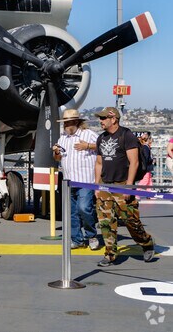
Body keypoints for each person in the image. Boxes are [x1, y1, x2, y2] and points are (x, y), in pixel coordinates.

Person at [94, 107, 155, 267]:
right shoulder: (101, 138)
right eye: (100, 118)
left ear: (113, 119)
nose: (100, 121)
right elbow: (99, 163)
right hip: (105, 186)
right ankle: (110, 255)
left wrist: (128, 186)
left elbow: (134, 162)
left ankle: (146, 242)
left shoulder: (126, 135)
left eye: (103, 118)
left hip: (123, 185)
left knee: (131, 221)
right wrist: (97, 185)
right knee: (106, 222)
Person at [51, 109, 100, 250]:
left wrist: (88, 146)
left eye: (69, 122)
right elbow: (58, 158)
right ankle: (77, 239)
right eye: (65, 122)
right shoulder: (62, 138)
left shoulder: (88, 134)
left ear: (77, 122)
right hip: (68, 181)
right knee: (71, 212)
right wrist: (56, 152)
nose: (66, 125)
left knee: (84, 208)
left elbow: (102, 146)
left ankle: (91, 235)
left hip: (85, 181)